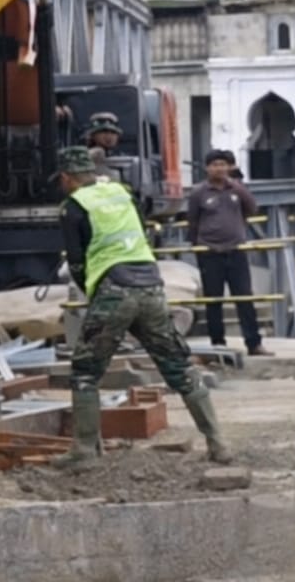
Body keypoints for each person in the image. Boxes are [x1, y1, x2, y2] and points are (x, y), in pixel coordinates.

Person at [54, 147, 232, 467]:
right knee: (178, 367)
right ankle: (218, 444)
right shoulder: (122, 193)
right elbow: (142, 235)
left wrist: (96, 297)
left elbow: (78, 263)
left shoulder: (73, 207)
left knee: (85, 371)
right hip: (151, 285)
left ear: (67, 178)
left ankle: (84, 452)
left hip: (113, 289)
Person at [187, 150, 271, 357]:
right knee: (213, 300)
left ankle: (254, 343)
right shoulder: (199, 193)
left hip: (236, 251)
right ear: (207, 168)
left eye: (223, 165)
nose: (219, 169)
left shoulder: (236, 190)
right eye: (215, 165)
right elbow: (193, 221)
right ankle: (218, 344)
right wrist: (197, 246)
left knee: (244, 297)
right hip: (209, 252)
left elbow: (252, 208)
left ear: (229, 167)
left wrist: (237, 186)